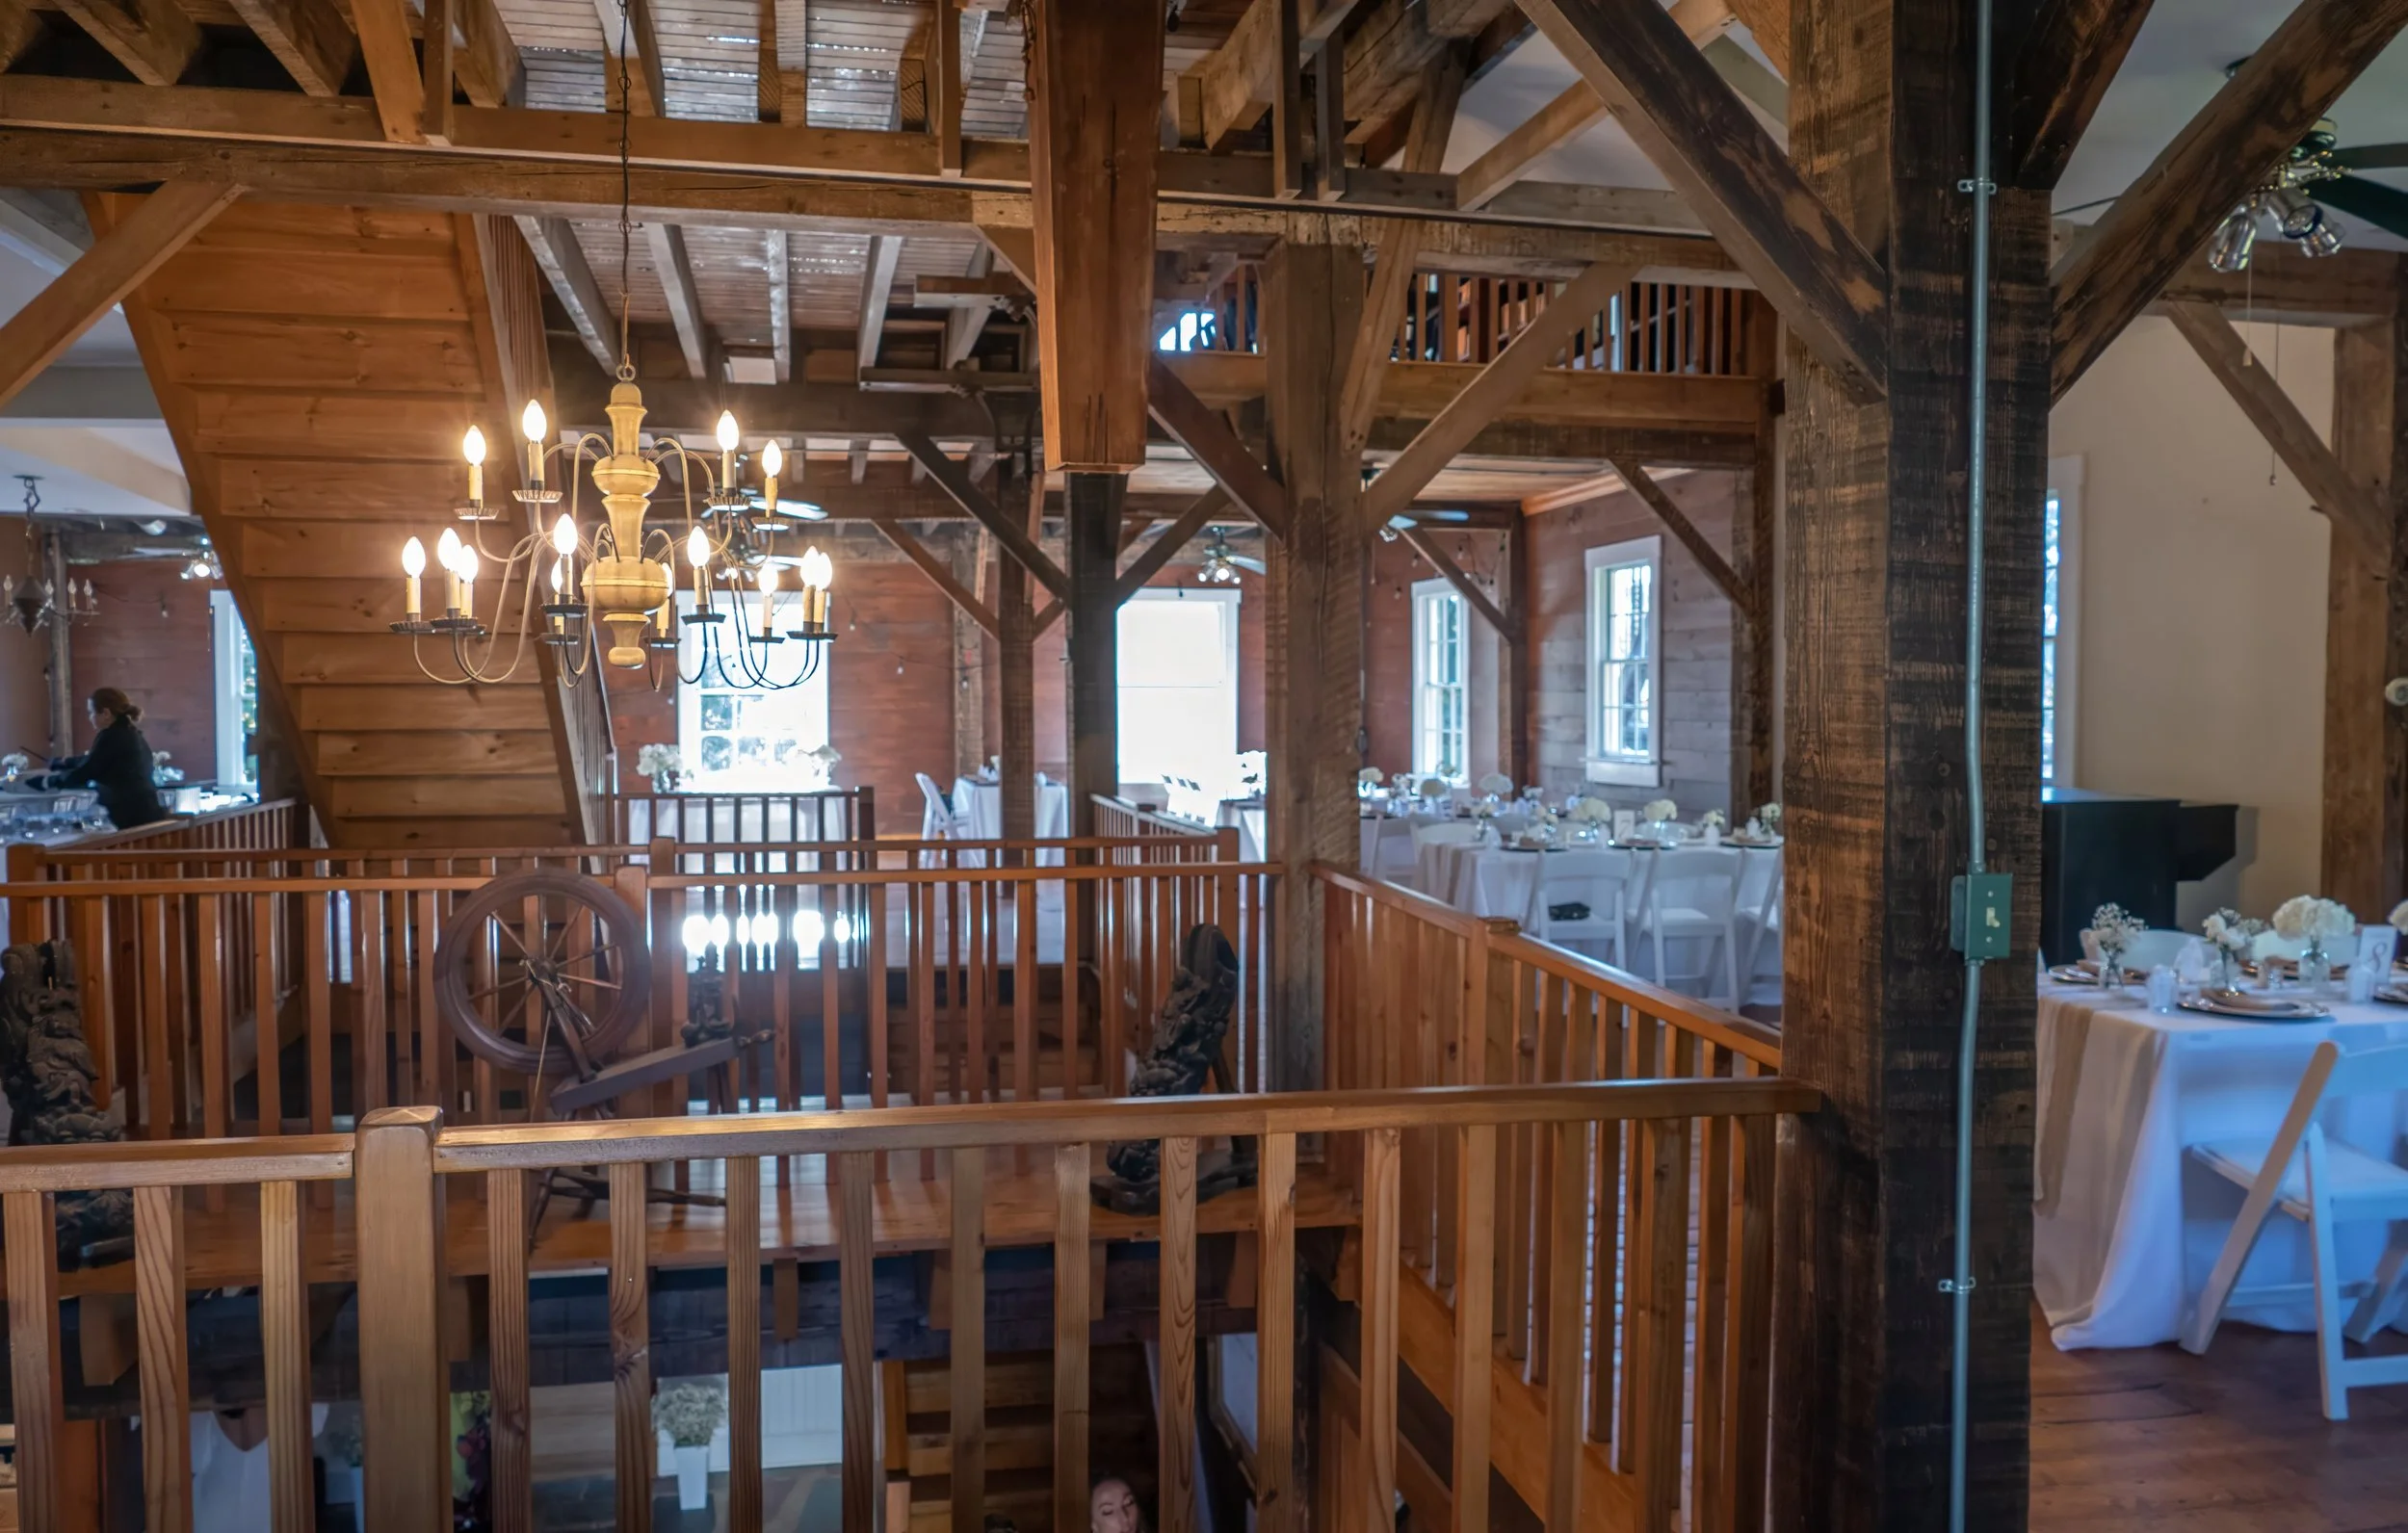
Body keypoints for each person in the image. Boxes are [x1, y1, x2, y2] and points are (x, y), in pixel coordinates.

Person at [42, 688, 169, 830]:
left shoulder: (111, 736)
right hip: (147, 810)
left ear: (106, 713)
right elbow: (96, 760)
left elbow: (88, 770)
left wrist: (50, 781)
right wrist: (65, 763)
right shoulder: (132, 733)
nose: (90, 718)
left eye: (91, 712)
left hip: (131, 815)